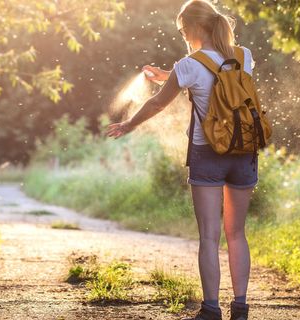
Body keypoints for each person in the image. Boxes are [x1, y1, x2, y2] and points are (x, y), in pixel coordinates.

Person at [107, 1, 257, 319]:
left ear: (192, 28)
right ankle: (241, 307)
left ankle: (211, 309)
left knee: (209, 235)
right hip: (244, 151)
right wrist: (169, 74)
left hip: (208, 154)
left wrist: (128, 124)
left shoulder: (188, 65)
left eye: (182, 30)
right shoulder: (245, 56)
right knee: (236, 233)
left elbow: (158, 104)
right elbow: (217, 79)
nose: (183, 35)